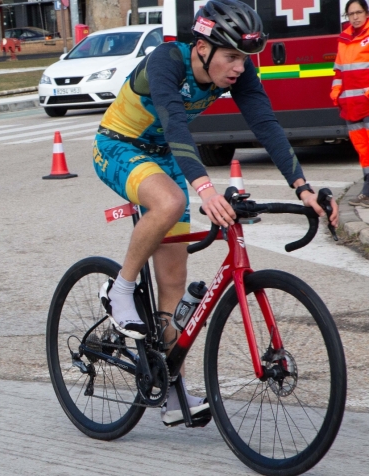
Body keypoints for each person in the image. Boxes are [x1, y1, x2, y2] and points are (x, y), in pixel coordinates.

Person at [92, 0, 338, 427]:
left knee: (174, 283)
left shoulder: (238, 72)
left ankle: (171, 387)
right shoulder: (167, 61)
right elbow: (174, 122)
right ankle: (121, 289)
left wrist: (302, 187)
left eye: (245, 58)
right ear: (202, 48)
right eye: (231, 56)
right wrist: (204, 189)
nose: (239, 67)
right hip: (118, 145)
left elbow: (266, 125)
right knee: (170, 202)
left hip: (164, 157)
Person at [331, 0, 369, 207]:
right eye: (351, 14)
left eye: (358, 12)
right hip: (351, 105)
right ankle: (367, 191)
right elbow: (339, 71)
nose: (355, 17)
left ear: (366, 13)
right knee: (363, 150)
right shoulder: (344, 39)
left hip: (367, 102)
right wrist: (336, 93)